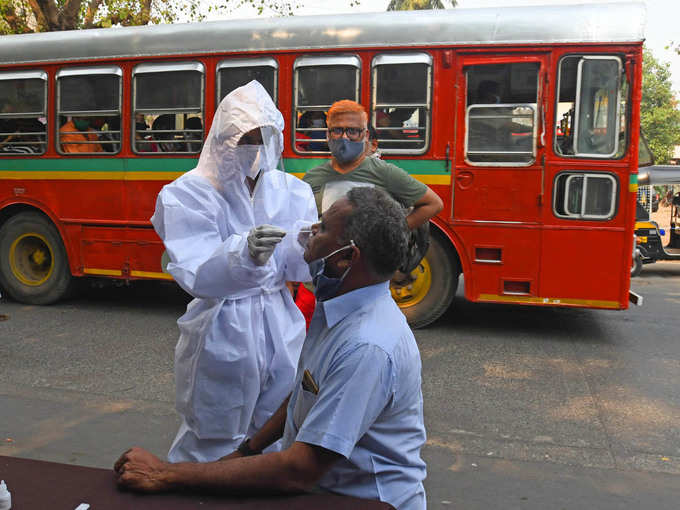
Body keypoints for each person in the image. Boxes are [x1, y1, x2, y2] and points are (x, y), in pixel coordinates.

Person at [115, 186, 427, 510]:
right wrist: (248, 450)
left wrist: (166, 474)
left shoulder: (367, 346)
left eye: (321, 231)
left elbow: (298, 470)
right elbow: (307, 390)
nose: (308, 237)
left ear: (348, 257)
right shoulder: (339, 308)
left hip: (366, 502)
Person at [150, 80, 318, 463]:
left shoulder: (291, 191)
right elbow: (196, 271)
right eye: (245, 138)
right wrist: (243, 254)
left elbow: (297, 268)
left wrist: (306, 247)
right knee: (213, 432)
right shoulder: (188, 193)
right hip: (224, 326)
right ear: (222, 140)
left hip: (280, 322)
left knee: (276, 430)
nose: (255, 148)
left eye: (264, 137)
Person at [302, 99, 442, 230]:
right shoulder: (312, 178)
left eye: (353, 131)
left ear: (366, 136)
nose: (344, 137)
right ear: (328, 135)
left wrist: (394, 233)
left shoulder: (384, 172)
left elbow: (433, 204)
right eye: (337, 130)